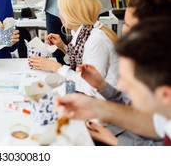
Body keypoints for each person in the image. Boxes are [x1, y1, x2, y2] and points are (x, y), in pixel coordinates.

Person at [56, 17, 171, 146]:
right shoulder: (164, 112)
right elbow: (153, 123)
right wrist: (99, 95)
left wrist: (115, 141)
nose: (120, 85)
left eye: (130, 83)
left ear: (165, 95)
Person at [28, 0, 119, 96]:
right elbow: (82, 59)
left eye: (60, 10)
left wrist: (56, 67)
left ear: (71, 14)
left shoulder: (96, 40)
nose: (59, 15)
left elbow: (91, 87)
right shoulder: (82, 32)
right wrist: (63, 47)